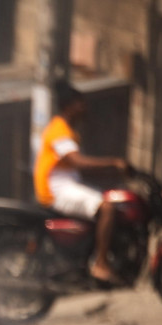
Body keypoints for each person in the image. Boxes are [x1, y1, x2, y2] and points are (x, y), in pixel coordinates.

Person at [34, 81, 130, 284]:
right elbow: (76, 161)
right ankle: (101, 264)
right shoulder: (59, 131)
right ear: (69, 106)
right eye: (80, 104)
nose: (85, 108)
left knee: (112, 200)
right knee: (107, 207)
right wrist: (113, 163)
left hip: (66, 185)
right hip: (56, 190)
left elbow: (75, 168)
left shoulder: (67, 131)